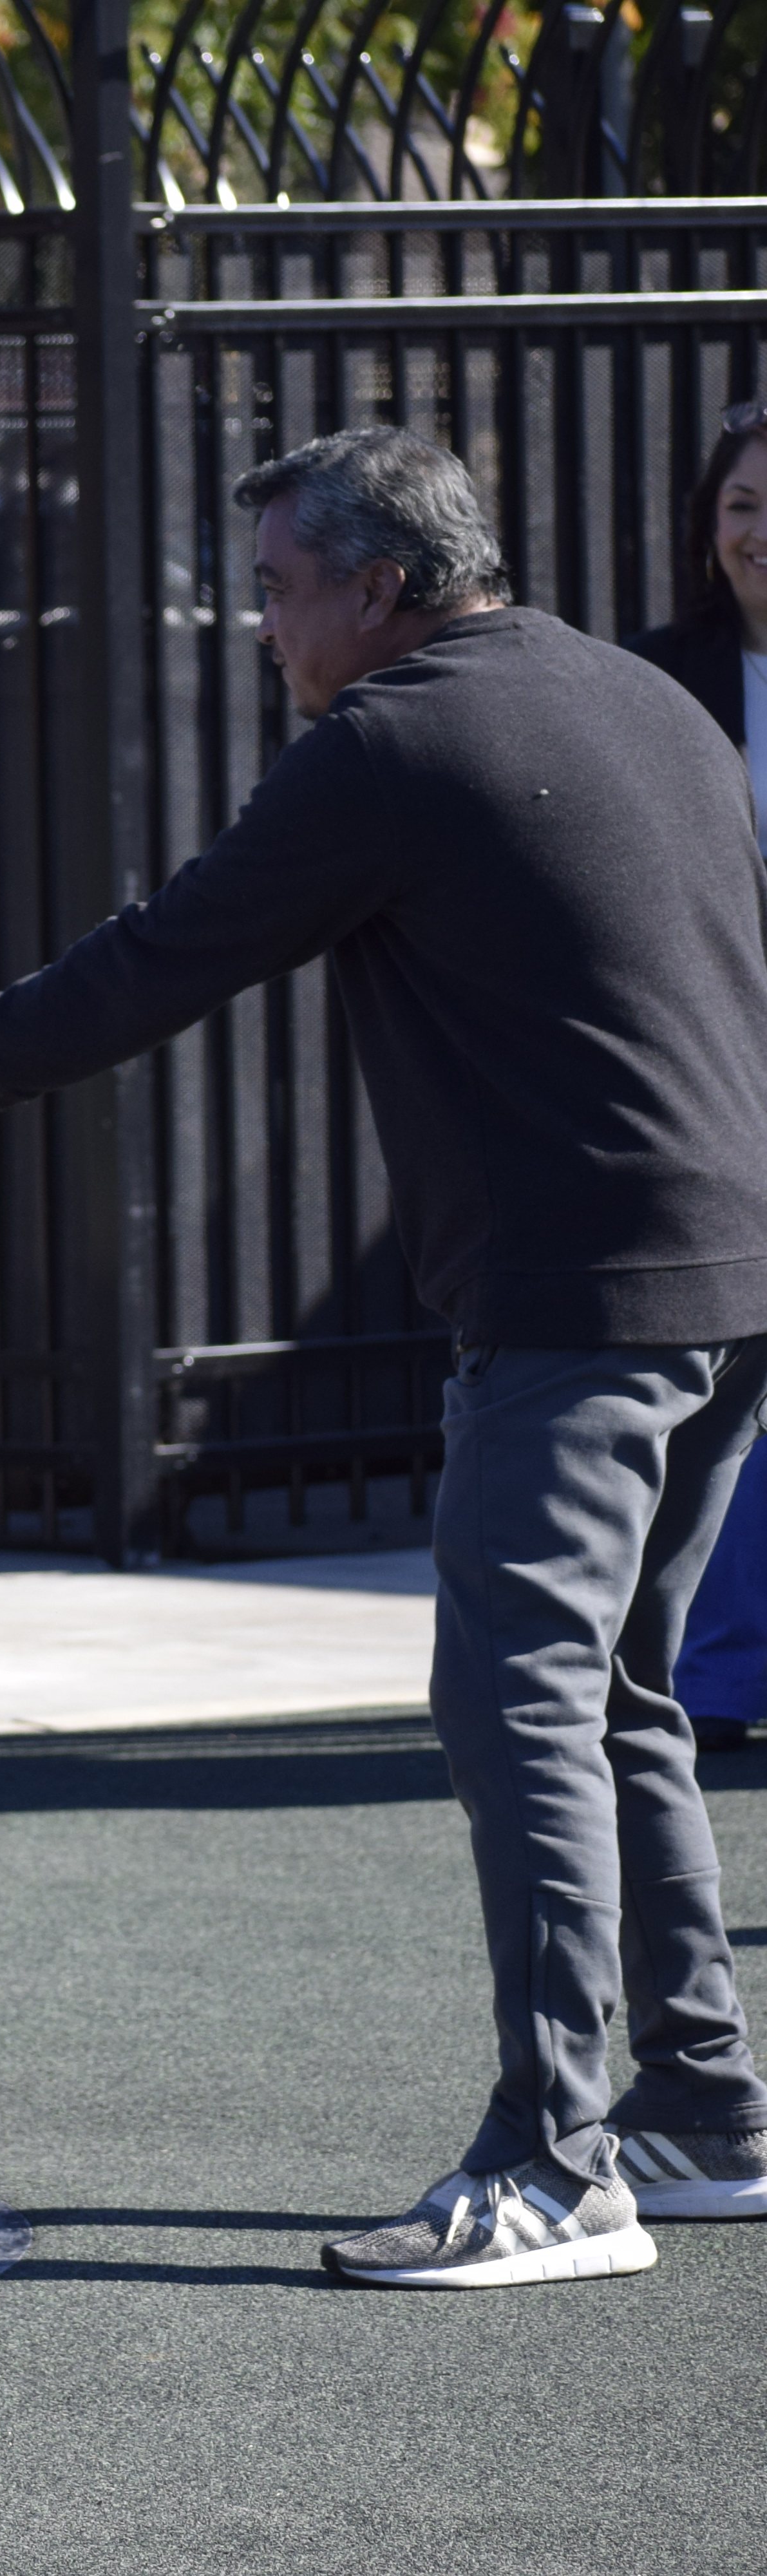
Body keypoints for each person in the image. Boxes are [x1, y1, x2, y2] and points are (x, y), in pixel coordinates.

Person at [0, 425, 767, 2286]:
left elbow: (167, 955)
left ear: (382, 589)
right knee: (624, 1699)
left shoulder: (392, 743)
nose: (263, 628)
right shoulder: (637, 694)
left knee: (521, 1706)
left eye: (276, 587)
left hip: (577, 1302)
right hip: (729, 1280)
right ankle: (708, 2111)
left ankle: (558, 2165)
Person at [626, 405, 767, 1763]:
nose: (761, 531)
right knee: (736, 1377)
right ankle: (715, 1676)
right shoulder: (660, 680)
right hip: (722, 1063)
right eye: (742, 504)